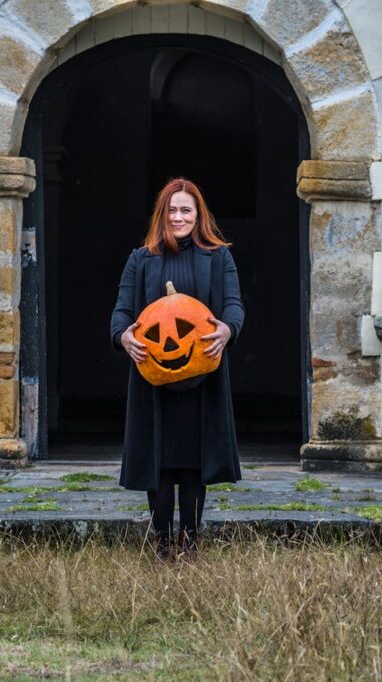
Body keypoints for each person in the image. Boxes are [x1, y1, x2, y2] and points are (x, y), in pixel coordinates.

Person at [110, 178, 245, 562]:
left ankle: (190, 543)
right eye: (172, 210)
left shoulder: (219, 257)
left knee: (192, 463)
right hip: (153, 375)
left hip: (202, 373)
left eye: (186, 210)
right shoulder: (142, 259)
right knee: (161, 463)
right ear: (161, 216)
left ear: (198, 215)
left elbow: (234, 306)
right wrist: (123, 337)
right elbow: (121, 312)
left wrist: (227, 329)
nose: (179, 217)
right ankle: (163, 543)